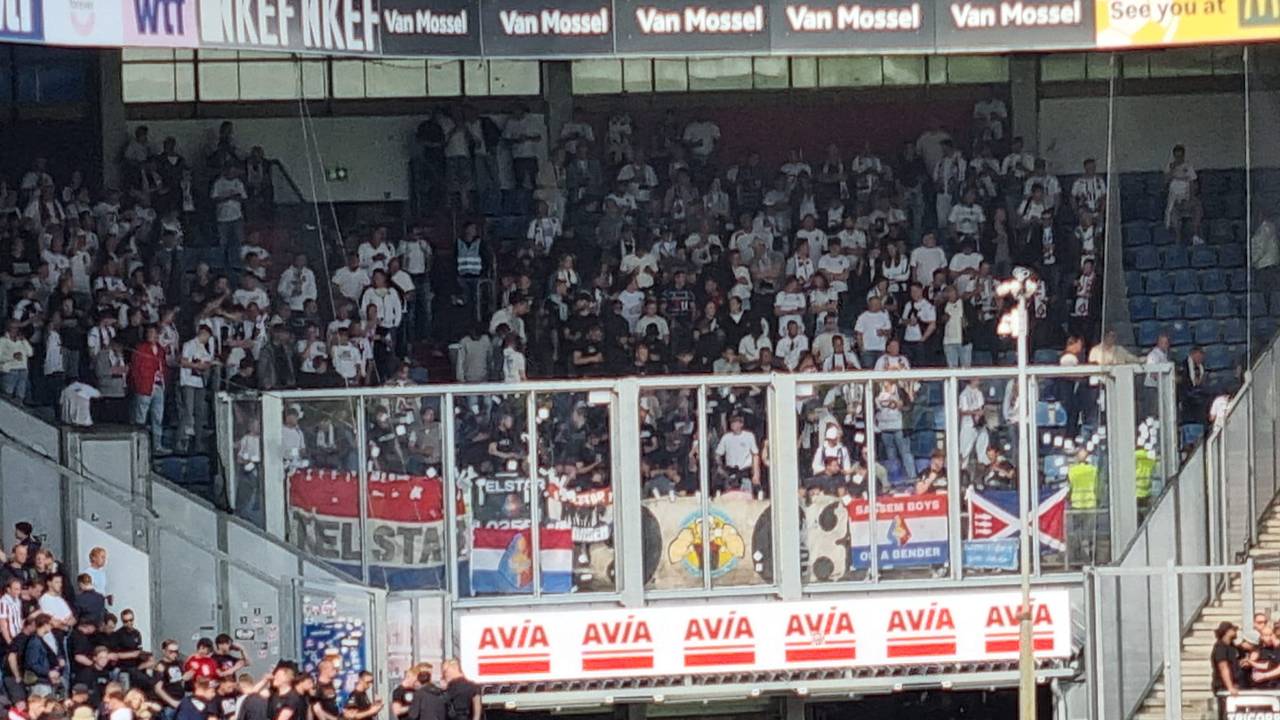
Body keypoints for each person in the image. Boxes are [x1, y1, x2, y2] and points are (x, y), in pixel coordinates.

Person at [0, 319, 32, 402]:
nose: (15, 330)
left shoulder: (21, 341)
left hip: (22, 370)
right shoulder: (3, 341)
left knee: (20, 397)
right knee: (7, 396)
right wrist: (12, 357)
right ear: (8, 328)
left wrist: (24, 341)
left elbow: (30, 353)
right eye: (13, 328)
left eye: (17, 328)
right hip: (10, 370)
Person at [1212, 621, 1241, 701]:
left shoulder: (1232, 647)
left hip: (1234, 685)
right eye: (1233, 630)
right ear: (1227, 631)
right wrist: (1230, 687)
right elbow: (1223, 668)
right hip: (1223, 687)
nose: (1236, 632)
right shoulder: (1220, 647)